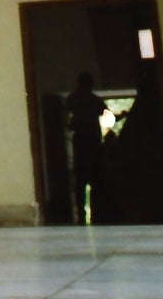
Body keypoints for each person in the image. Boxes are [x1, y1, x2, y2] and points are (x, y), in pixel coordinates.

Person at [64, 71, 109, 225]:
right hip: (93, 141)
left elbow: (67, 121)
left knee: (80, 180)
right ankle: (98, 214)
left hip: (80, 141)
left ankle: (80, 215)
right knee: (96, 179)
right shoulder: (95, 100)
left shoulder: (71, 99)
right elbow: (108, 117)